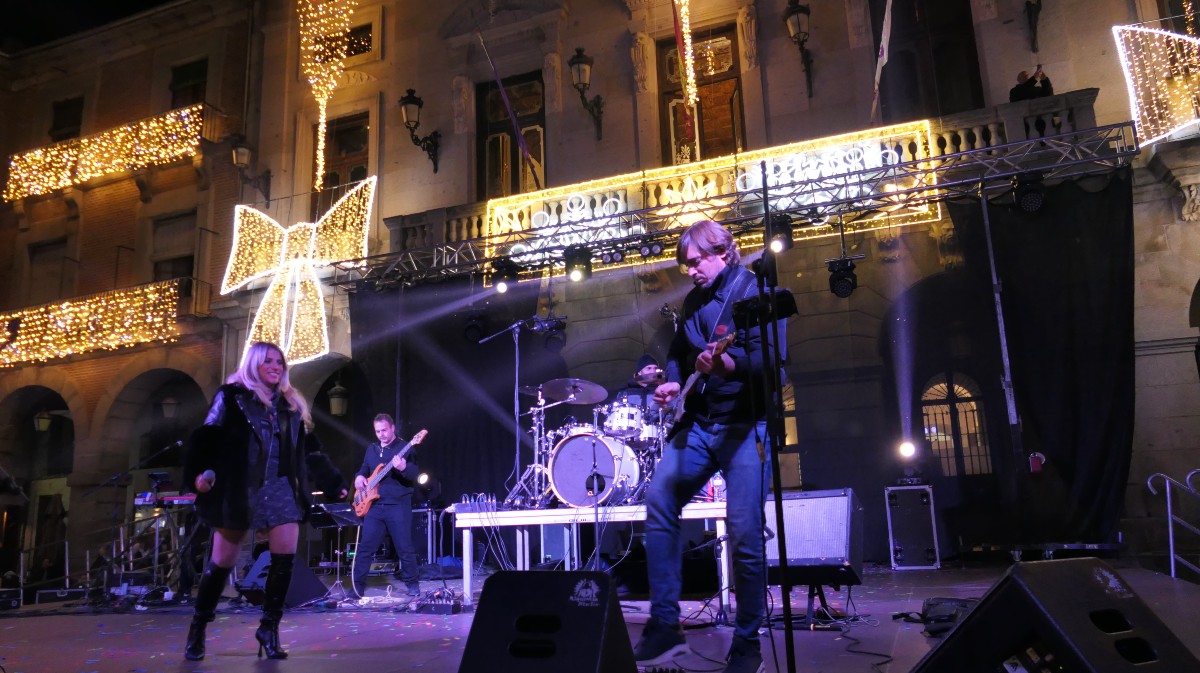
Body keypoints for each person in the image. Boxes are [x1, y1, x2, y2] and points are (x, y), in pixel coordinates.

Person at [633, 220, 786, 673]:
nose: (690, 271)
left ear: (722, 250)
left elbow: (773, 365)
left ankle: (747, 641)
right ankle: (664, 622)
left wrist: (728, 366)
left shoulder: (754, 292)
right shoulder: (695, 300)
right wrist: (674, 383)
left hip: (746, 428)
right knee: (659, 499)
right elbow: (679, 352)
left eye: (696, 261)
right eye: (684, 264)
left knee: (744, 534)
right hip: (699, 425)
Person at [181, 341, 347, 661]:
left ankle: (269, 629)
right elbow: (207, 437)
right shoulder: (231, 397)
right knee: (221, 563)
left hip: (281, 486)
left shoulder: (290, 404)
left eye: (280, 362)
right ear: (253, 364)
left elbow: (309, 449)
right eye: (268, 361)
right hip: (240, 488)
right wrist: (198, 474)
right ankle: (199, 626)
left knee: (283, 561)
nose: (275, 366)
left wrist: (332, 482)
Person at [347, 413, 422, 601]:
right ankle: (357, 588)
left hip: (398, 505)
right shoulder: (372, 449)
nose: (381, 434)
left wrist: (403, 468)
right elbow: (364, 468)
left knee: (404, 547)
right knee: (365, 549)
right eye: (377, 431)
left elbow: (414, 473)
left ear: (392, 428)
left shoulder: (405, 447)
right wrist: (358, 477)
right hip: (374, 506)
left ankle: (413, 586)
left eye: (384, 430)